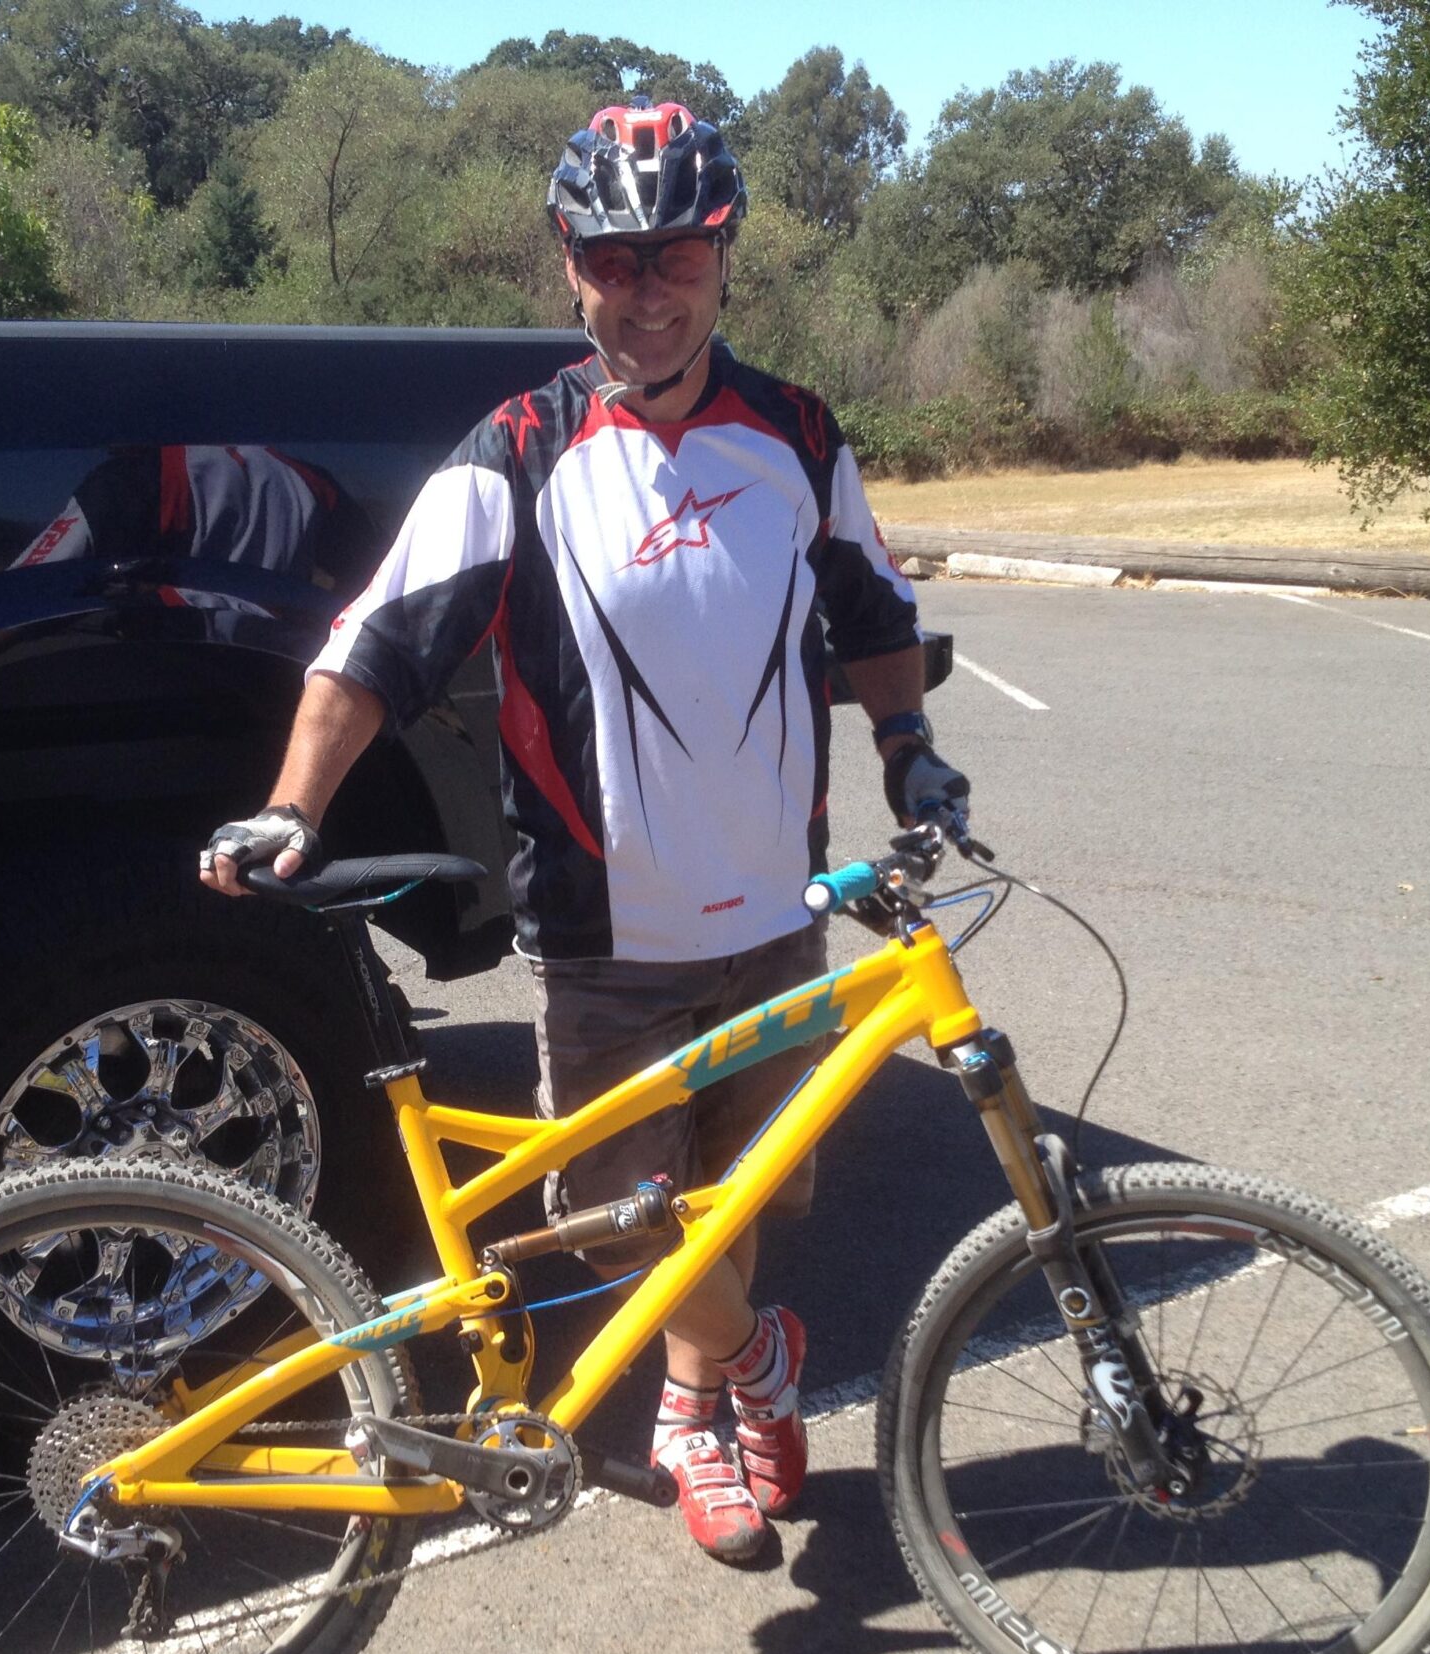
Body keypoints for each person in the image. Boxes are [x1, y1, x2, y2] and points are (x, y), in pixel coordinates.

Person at [199, 99, 971, 1564]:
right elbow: (374, 644)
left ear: (722, 254)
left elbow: (873, 614)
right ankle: (749, 1367)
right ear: (570, 263)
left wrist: (911, 747)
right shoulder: (522, 449)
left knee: (746, 1201)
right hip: (605, 939)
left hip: (774, 920)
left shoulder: (797, 436)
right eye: (613, 257)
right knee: (628, 1224)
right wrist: (293, 802)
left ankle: (692, 1411)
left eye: (673, 251)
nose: (645, 286)